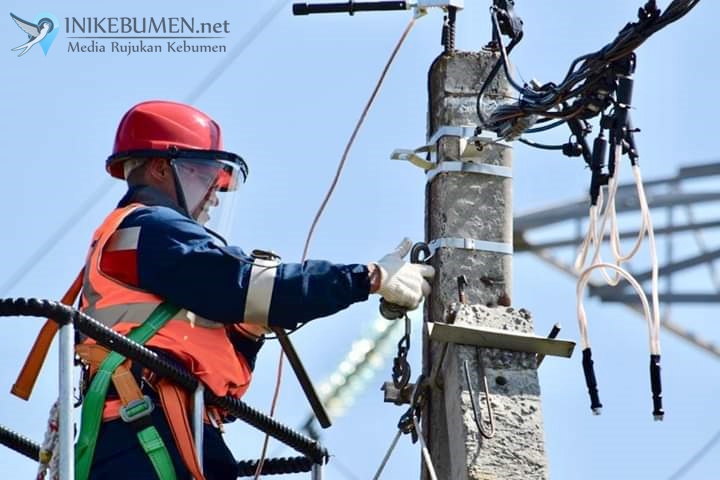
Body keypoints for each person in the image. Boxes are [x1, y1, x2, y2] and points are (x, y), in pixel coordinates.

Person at [74, 100, 435, 480]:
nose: (214, 194)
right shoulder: (151, 226)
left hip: (166, 424)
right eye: (203, 174)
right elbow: (243, 285)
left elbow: (222, 361)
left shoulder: (146, 244)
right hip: (146, 432)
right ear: (161, 168)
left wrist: (247, 332)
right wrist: (368, 277)